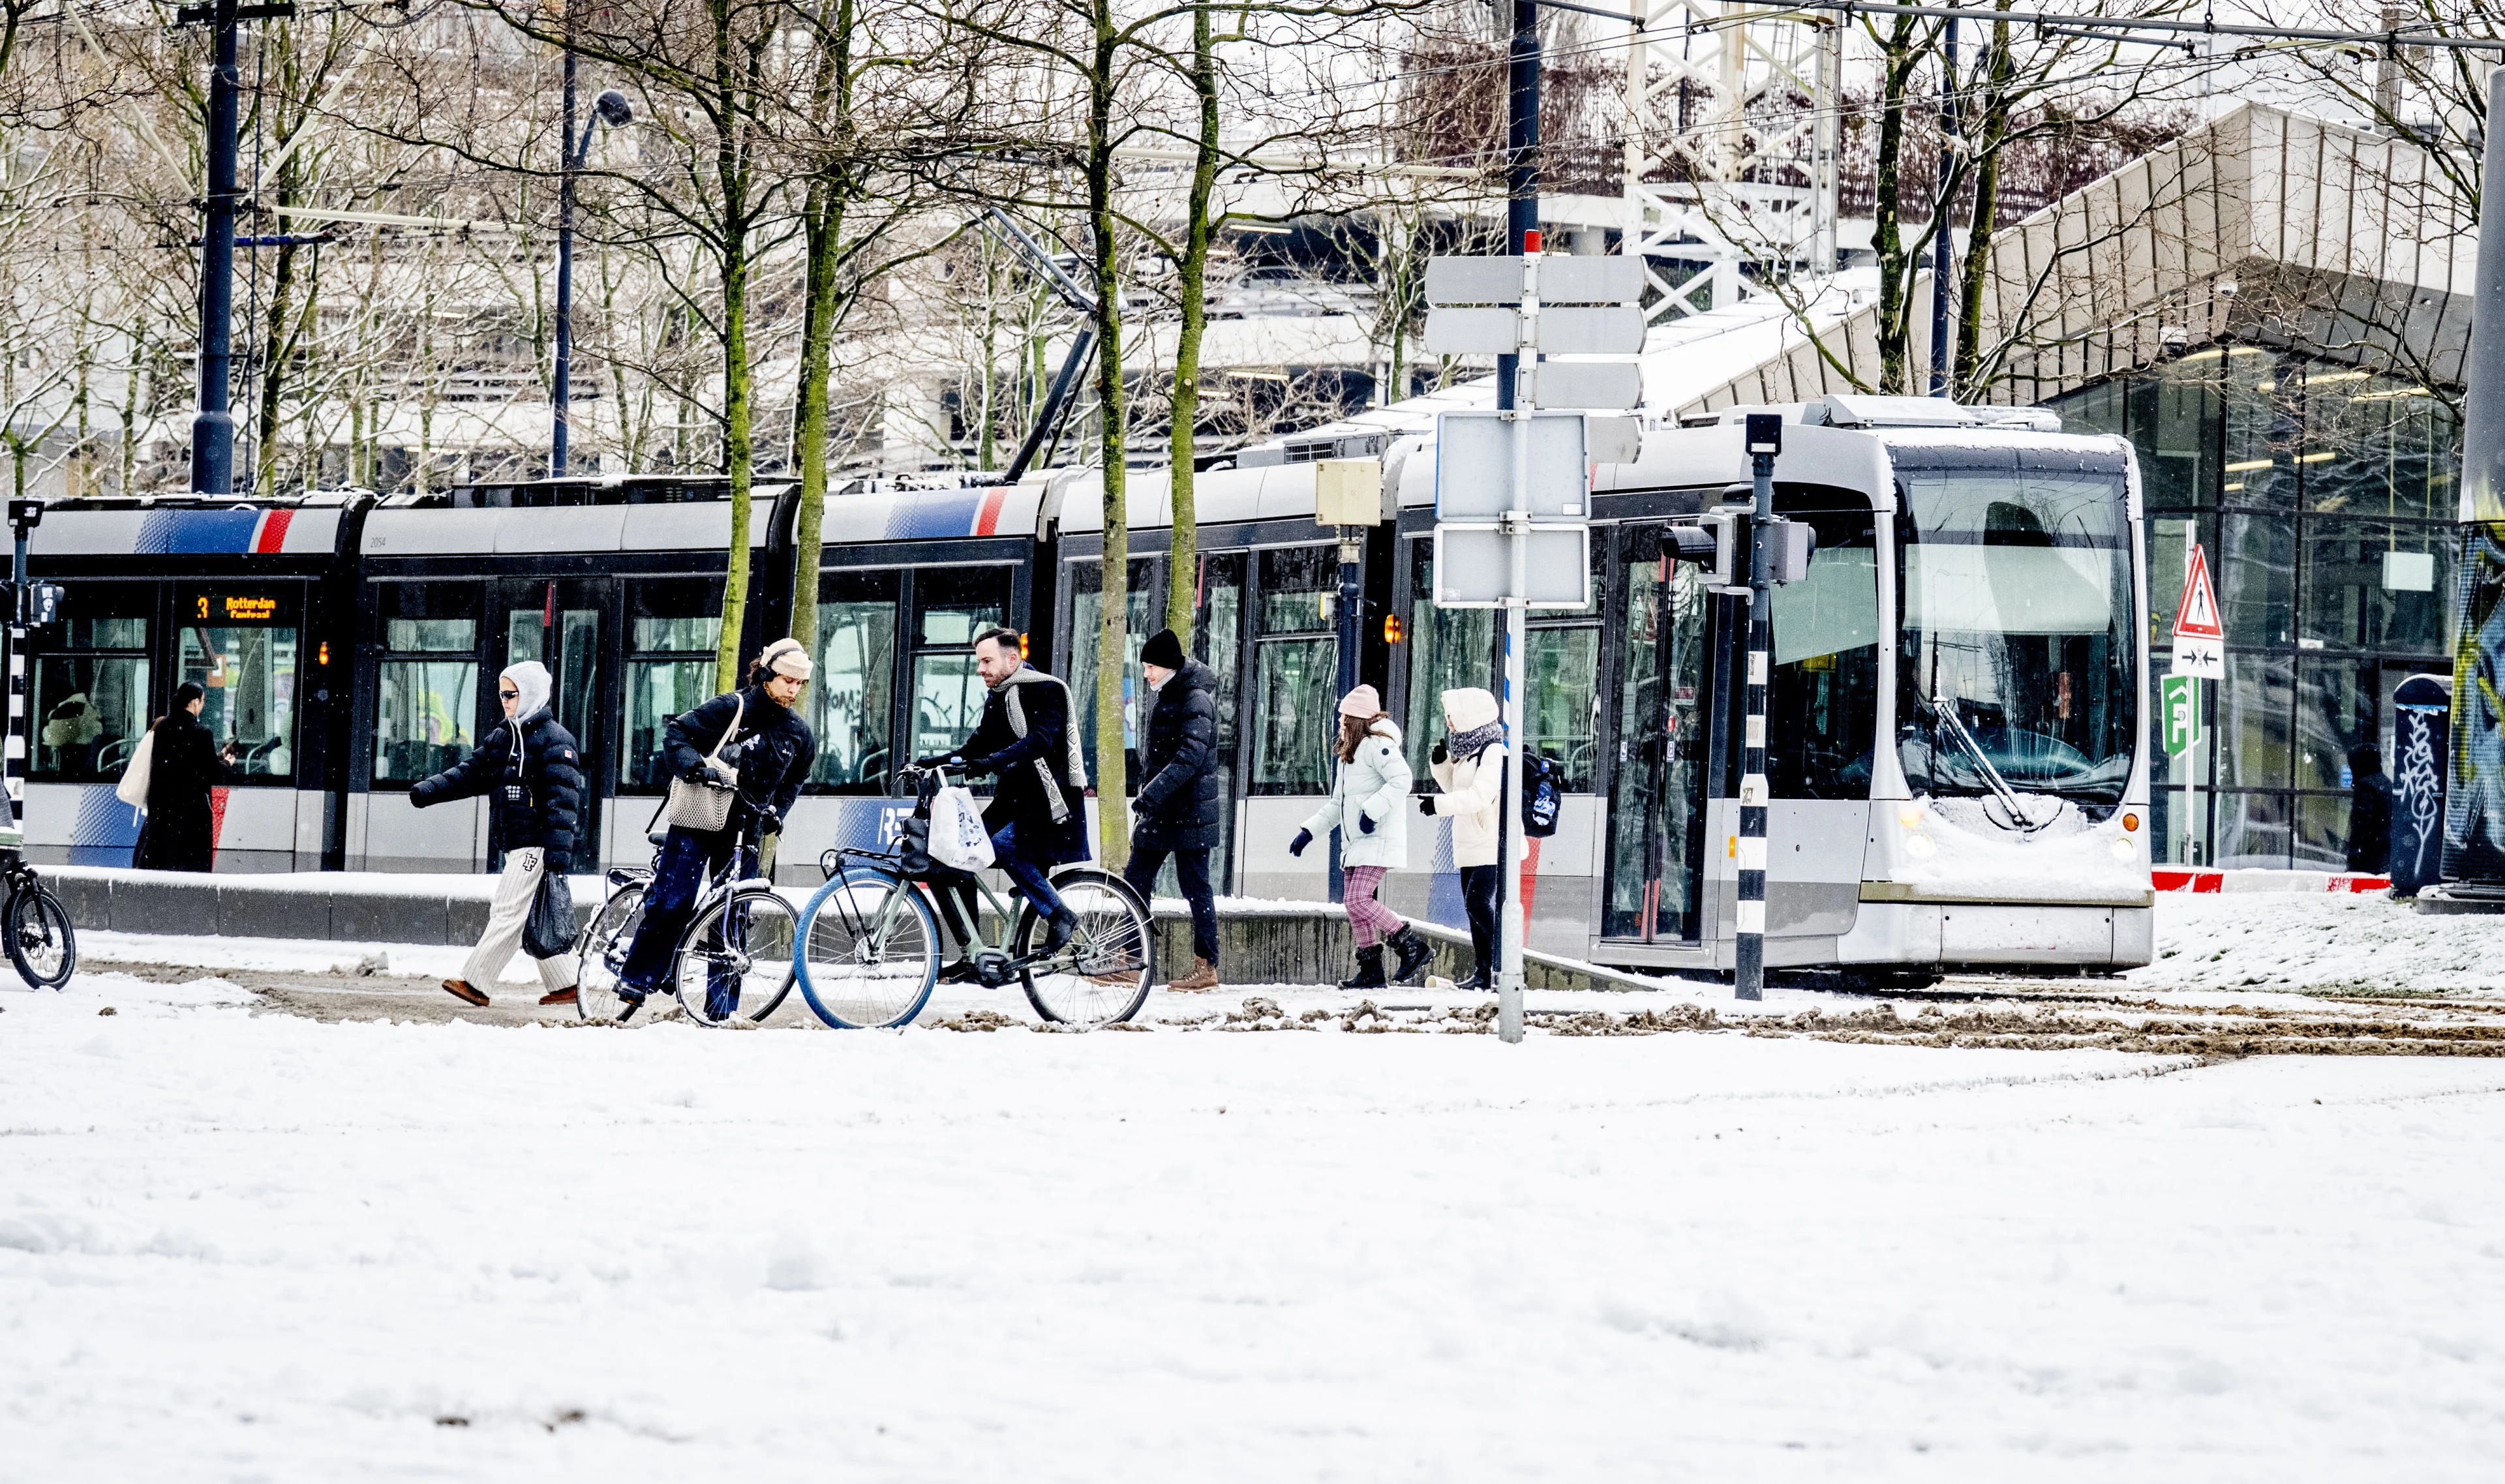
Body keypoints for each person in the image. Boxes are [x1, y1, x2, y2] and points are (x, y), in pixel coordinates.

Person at [613, 639, 817, 1018]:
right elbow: (677, 734)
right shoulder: (732, 708)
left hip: (746, 832)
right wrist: (695, 767)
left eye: (799, 684)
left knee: (733, 920)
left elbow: (795, 780)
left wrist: (777, 811)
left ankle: (721, 1013)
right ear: (768, 675)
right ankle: (636, 978)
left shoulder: (799, 735)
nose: (793, 689)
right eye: (787, 680)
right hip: (700, 818)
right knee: (675, 901)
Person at [411, 662, 586, 1008]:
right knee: (529, 913)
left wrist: (557, 855)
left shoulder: (556, 740)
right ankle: (567, 983)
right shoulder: (504, 737)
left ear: (530, 694)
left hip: (534, 844)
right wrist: (427, 790)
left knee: (507, 911)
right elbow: (470, 773)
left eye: (511, 694)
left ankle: (477, 982)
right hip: (516, 843)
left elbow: (564, 802)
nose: (505, 701)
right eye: (502, 694)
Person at [928, 628, 1090, 951]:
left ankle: (1061, 915)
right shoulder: (999, 696)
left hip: (1048, 804)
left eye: (987, 661)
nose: (980, 669)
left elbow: (1040, 741)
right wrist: (935, 762)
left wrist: (993, 762)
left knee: (1001, 846)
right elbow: (979, 744)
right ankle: (973, 951)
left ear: (1012, 658)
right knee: (953, 860)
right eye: (979, 662)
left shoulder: (1047, 690)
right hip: (1015, 802)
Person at [1292, 685, 1431, 990]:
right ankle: (1371, 970)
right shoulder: (1349, 755)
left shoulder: (1377, 745)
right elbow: (1337, 805)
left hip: (1378, 836)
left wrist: (1371, 811)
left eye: (1344, 716)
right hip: (1356, 843)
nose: (1340, 721)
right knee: (1353, 904)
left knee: (1358, 898)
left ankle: (1411, 945)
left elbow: (1402, 779)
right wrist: (1308, 832)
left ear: (1357, 719)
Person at [1123, 628, 1222, 992]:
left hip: (1189, 811)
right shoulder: (1170, 694)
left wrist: (1150, 794)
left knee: (1195, 887)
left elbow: (1189, 758)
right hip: (1165, 810)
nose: (1146, 673)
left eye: (1151, 667)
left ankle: (1206, 966)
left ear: (1168, 667)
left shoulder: (1195, 699)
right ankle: (1135, 960)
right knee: (1135, 880)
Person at [1419, 686, 1518, 992]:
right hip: (1469, 843)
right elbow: (1455, 790)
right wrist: (1442, 765)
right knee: (1472, 907)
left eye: (1452, 717)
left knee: (1477, 904)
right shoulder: (1467, 750)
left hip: (1491, 842)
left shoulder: (1493, 751)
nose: (1449, 723)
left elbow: (1479, 797)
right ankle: (1483, 973)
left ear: (1469, 715)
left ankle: (1510, 959)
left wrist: (1437, 806)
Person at [132, 682, 235, 872]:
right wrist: (226, 764)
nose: (202, 706)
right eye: (202, 701)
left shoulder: (161, 727)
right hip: (189, 819)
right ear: (195, 703)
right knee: (188, 877)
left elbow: (177, 763)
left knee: (160, 871)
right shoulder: (202, 734)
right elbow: (211, 774)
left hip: (161, 815)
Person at [2346, 743, 2393, 875]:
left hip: (2368, 851)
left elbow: (2361, 820)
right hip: (2384, 850)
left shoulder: (2365, 785)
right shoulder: (2387, 784)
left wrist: (2354, 847)